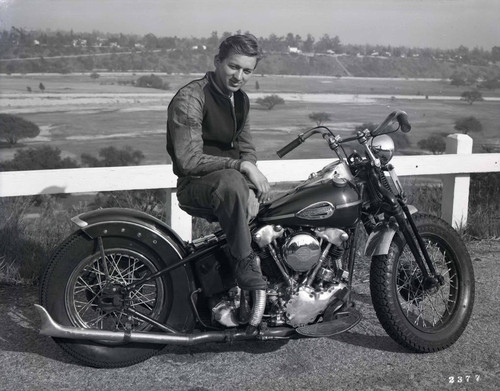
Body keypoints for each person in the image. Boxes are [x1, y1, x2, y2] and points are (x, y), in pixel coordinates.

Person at [166, 34, 270, 291]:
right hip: (195, 185)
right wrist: (241, 170)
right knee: (232, 180)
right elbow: (188, 160)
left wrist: (251, 189)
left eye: (247, 71)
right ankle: (243, 262)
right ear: (217, 61)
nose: (239, 76)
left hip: (232, 186)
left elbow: (246, 149)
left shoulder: (241, 100)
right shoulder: (192, 97)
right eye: (233, 67)